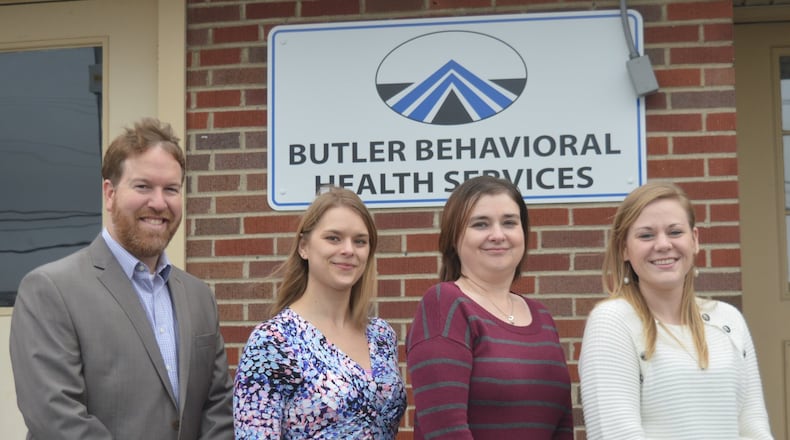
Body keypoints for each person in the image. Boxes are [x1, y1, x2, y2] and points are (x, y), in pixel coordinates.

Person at [9, 118, 234, 439]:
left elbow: (218, 406)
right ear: (109, 193)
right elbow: (56, 417)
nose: (159, 202)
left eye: (171, 189)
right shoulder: (50, 290)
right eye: (143, 186)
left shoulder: (198, 296)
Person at [579, 181, 773, 439]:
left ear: (694, 240)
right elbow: (617, 434)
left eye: (674, 232)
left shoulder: (729, 319)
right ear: (624, 248)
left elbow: (754, 428)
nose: (663, 244)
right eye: (646, 235)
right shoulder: (613, 322)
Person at [406, 175, 574, 440]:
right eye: (480, 224)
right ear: (453, 237)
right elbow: (446, 431)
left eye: (509, 222)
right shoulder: (446, 305)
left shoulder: (541, 317)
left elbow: (562, 427)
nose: (498, 235)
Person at [233, 186, 407, 439]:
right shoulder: (273, 341)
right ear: (304, 247)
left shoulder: (381, 336)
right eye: (333, 238)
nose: (348, 250)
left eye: (360, 241)